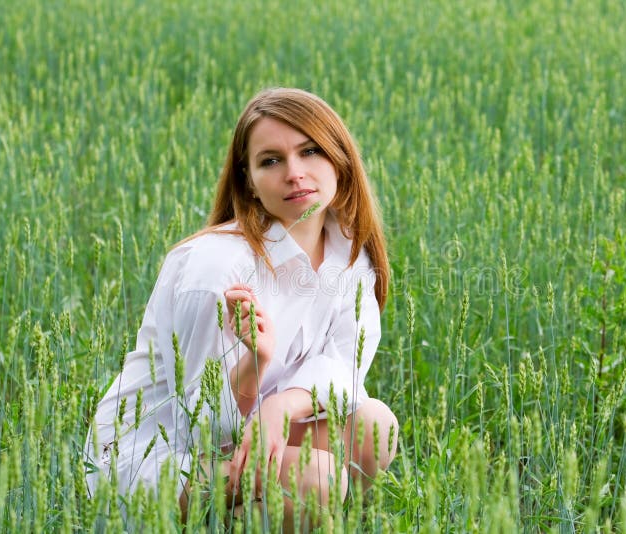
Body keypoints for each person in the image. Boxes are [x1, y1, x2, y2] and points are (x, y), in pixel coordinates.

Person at [84, 87, 398, 527]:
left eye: (310, 151)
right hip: (159, 456)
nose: (295, 173)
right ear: (248, 179)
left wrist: (283, 406)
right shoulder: (216, 267)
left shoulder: (349, 252)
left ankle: (259, 516)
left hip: (254, 433)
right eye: (271, 160)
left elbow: (345, 366)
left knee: (375, 429)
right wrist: (255, 363)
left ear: (339, 159)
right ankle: (256, 512)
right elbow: (198, 427)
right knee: (317, 476)